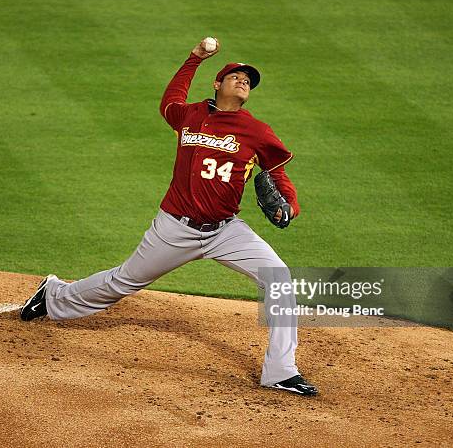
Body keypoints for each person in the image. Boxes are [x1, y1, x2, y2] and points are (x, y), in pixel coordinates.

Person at [20, 38, 318, 397]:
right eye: (235, 76)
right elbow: (169, 102)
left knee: (280, 280)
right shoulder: (190, 115)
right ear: (217, 84)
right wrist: (194, 59)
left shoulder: (257, 131)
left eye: (248, 81)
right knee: (123, 282)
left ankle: (281, 371)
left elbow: (278, 173)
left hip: (226, 231)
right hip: (175, 227)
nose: (243, 81)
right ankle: (53, 295)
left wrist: (290, 207)